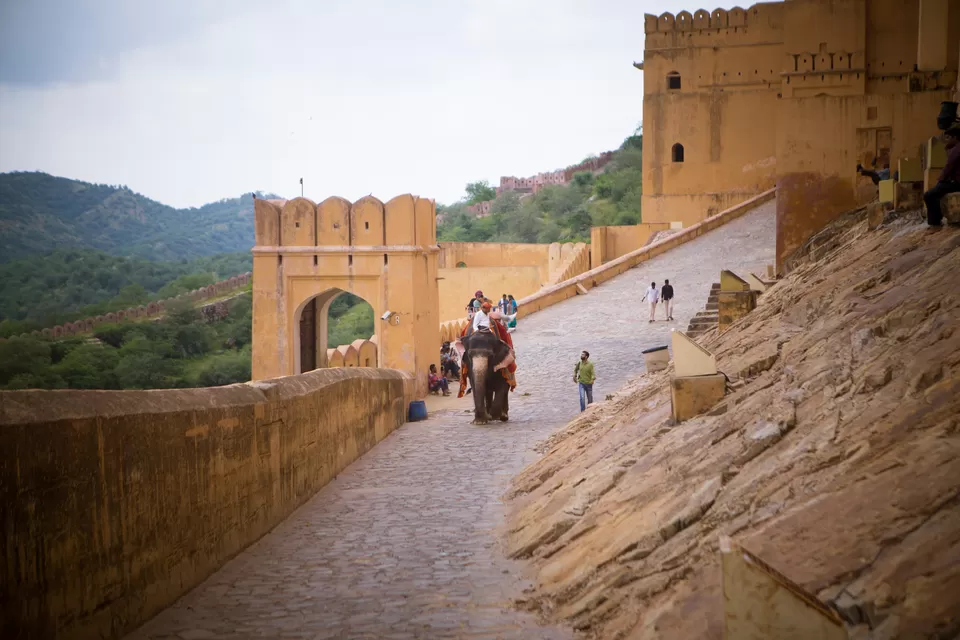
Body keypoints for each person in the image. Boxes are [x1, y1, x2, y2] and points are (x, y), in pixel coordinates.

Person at [923, 126, 960, 228]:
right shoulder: (955, 149)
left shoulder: (956, 150)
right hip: (955, 181)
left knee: (929, 195)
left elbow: (948, 168)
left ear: (955, 137)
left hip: (957, 183)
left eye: (948, 138)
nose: (946, 140)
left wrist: (940, 180)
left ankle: (935, 223)